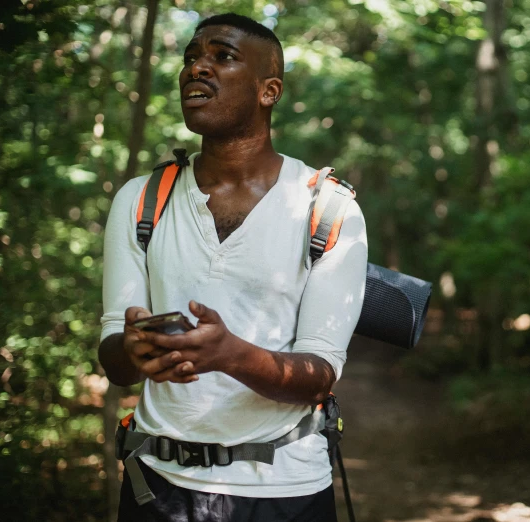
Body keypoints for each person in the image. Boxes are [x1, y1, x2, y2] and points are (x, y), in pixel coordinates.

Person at [98, 12, 367, 522]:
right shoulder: (141, 201)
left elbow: (319, 375)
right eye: (191, 57)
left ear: (269, 91)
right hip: (156, 487)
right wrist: (133, 349)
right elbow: (115, 361)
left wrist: (230, 355)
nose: (196, 68)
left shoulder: (328, 210)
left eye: (222, 56)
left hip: (286, 490)